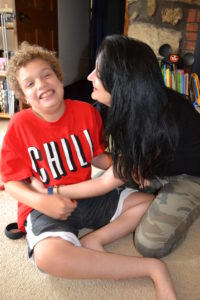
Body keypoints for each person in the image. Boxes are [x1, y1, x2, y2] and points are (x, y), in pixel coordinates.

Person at [0, 42, 177, 300]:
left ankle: (96, 240)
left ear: (58, 77)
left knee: (147, 202)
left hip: (87, 194)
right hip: (46, 206)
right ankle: (152, 268)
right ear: (24, 97)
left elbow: (94, 155)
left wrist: (122, 168)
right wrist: (41, 201)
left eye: (46, 74)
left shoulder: (86, 112)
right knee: (48, 256)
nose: (41, 85)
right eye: (30, 84)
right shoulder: (19, 126)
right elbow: (11, 181)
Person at [36, 34, 200, 260]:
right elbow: (90, 151)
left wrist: (51, 191)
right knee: (99, 187)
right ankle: (146, 182)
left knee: (149, 243)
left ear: (121, 86)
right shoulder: (119, 106)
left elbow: (106, 181)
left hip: (189, 176)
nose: (89, 76)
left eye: (99, 74)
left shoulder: (166, 120)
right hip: (152, 165)